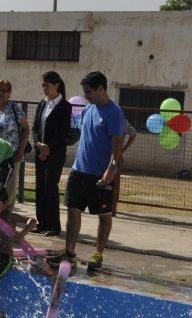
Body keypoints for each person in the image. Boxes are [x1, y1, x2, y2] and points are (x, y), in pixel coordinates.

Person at [47, 71, 124, 271]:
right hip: (79, 170)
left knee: (104, 215)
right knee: (73, 211)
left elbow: (117, 144)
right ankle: (69, 252)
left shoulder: (113, 112)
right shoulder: (89, 109)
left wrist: (111, 169)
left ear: (101, 89)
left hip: (100, 173)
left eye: (89, 92)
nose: (86, 95)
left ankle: (98, 254)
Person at [32, 71, 72, 237]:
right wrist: (38, 144)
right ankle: (42, 223)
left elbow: (63, 132)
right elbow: (35, 128)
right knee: (40, 187)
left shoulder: (65, 106)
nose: (44, 88)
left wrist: (48, 147)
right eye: (43, 85)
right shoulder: (42, 104)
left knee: (50, 187)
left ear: (56, 85)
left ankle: (53, 225)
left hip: (55, 153)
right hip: (40, 151)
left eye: (47, 85)